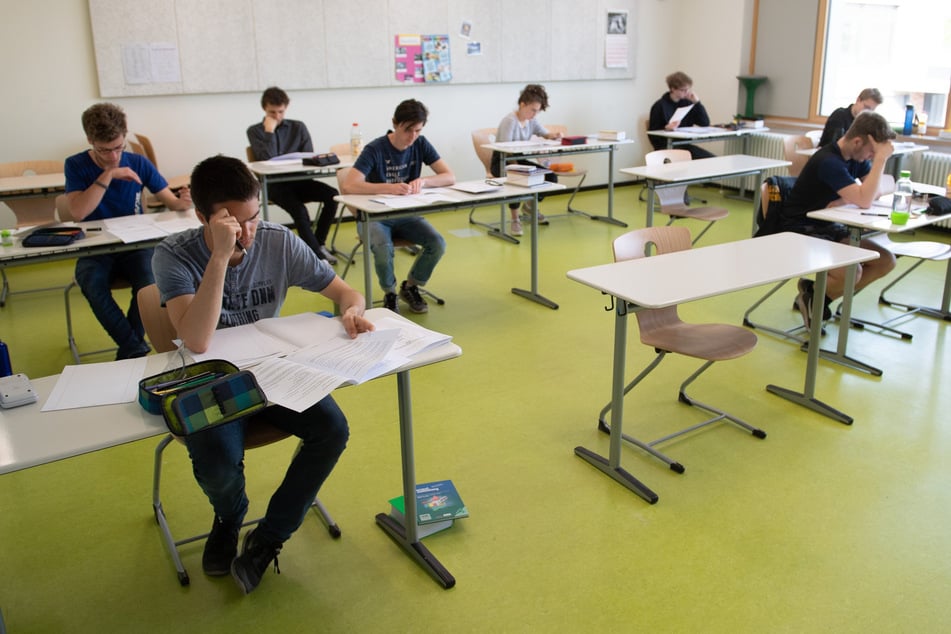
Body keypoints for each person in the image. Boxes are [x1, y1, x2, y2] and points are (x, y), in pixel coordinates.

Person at [151, 155, 373, 594]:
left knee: (332, 429)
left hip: (273, 373)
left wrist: (352, 309)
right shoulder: (173, 255)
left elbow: (344, 289)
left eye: (254, 218)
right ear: (202, 217)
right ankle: (230, 518)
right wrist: (218, 256)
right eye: (233, 224)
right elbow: (196, 339)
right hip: (210, 381)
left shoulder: (278, 241)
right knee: (217, 462)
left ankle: (268, 538)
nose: (248, 234)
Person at [63, 102, 193, 360]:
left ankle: (131, 346)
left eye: (118, 148)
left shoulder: (138, 162)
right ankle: (134, 345)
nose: (113, 156)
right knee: (91, 281)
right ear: (90, 140)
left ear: (125, 138)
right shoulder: (76, 165)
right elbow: (78, 212)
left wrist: (185, 200)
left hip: (135, 245)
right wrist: (109, 175)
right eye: (104, 150)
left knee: (150, 280)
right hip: (94, 247)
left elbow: (171, 201)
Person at [779, 111, 897, 329]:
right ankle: (814, 298)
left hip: (827, 226)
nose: (872, 157)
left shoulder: (855, 157)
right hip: (800, 229)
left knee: (885, 260)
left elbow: (880, 188)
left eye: (875, 155)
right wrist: (880, 161)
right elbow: (865, 199)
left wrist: (845, 200)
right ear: (858, 141)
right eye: (872, 152)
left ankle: (817, 298)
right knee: (853, 271)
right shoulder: (828, 161)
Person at [341, 99, 455, 314]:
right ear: (395, 124)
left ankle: (410, 286)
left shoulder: (421, 144)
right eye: (408, 130)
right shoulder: (376, 148)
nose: (412, 136)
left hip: (406, 215)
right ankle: (390, 293)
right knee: (384, 248)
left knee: (437, 243)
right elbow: (349, 185)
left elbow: (449, 176)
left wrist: (424, 182)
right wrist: (388, 187)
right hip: (374, 217)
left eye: (418, 130)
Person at [247, 86, 340, 264]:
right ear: (264, 109)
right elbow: (265, 159)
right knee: (299, 210)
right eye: (272, 112)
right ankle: (317, 257)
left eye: (280, 111)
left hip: (299, 181)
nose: (277, 116)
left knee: (332, 195)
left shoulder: (298, 127)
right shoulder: (255, 131)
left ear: (286, 108)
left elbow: (308, 157)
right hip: (274, 185)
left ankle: (318, 244)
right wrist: (269, 132)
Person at [491, 83, 562, 237]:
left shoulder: (531, 120)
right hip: (502, 161)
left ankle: (529, 207)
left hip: (518, 160)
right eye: (533, 110)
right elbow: (505, 151)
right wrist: (518, 169)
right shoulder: (509, 121)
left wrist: (553, 135)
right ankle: (515, 219)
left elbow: (544, 133)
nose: (534, 114)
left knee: (551, 177)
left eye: (537, 111)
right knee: (518, 180)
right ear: (522, 105)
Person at [648, 71, 715, 160]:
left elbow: (705, 123)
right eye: (683, 90)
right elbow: (653, 134)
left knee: (712, 159)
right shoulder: (660, 106)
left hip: (684, 145)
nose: (687, 92)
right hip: (667, 147)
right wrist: (666, 129)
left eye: (688, 89)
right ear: (673, 89)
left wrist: (697, 103)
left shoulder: (687, 103)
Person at [817, 88, 883, 147]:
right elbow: (834, 145)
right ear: (858, 100)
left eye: (871, 110)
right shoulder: (839, 115)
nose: (868, 112)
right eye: (866, 107)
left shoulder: (865, 121)